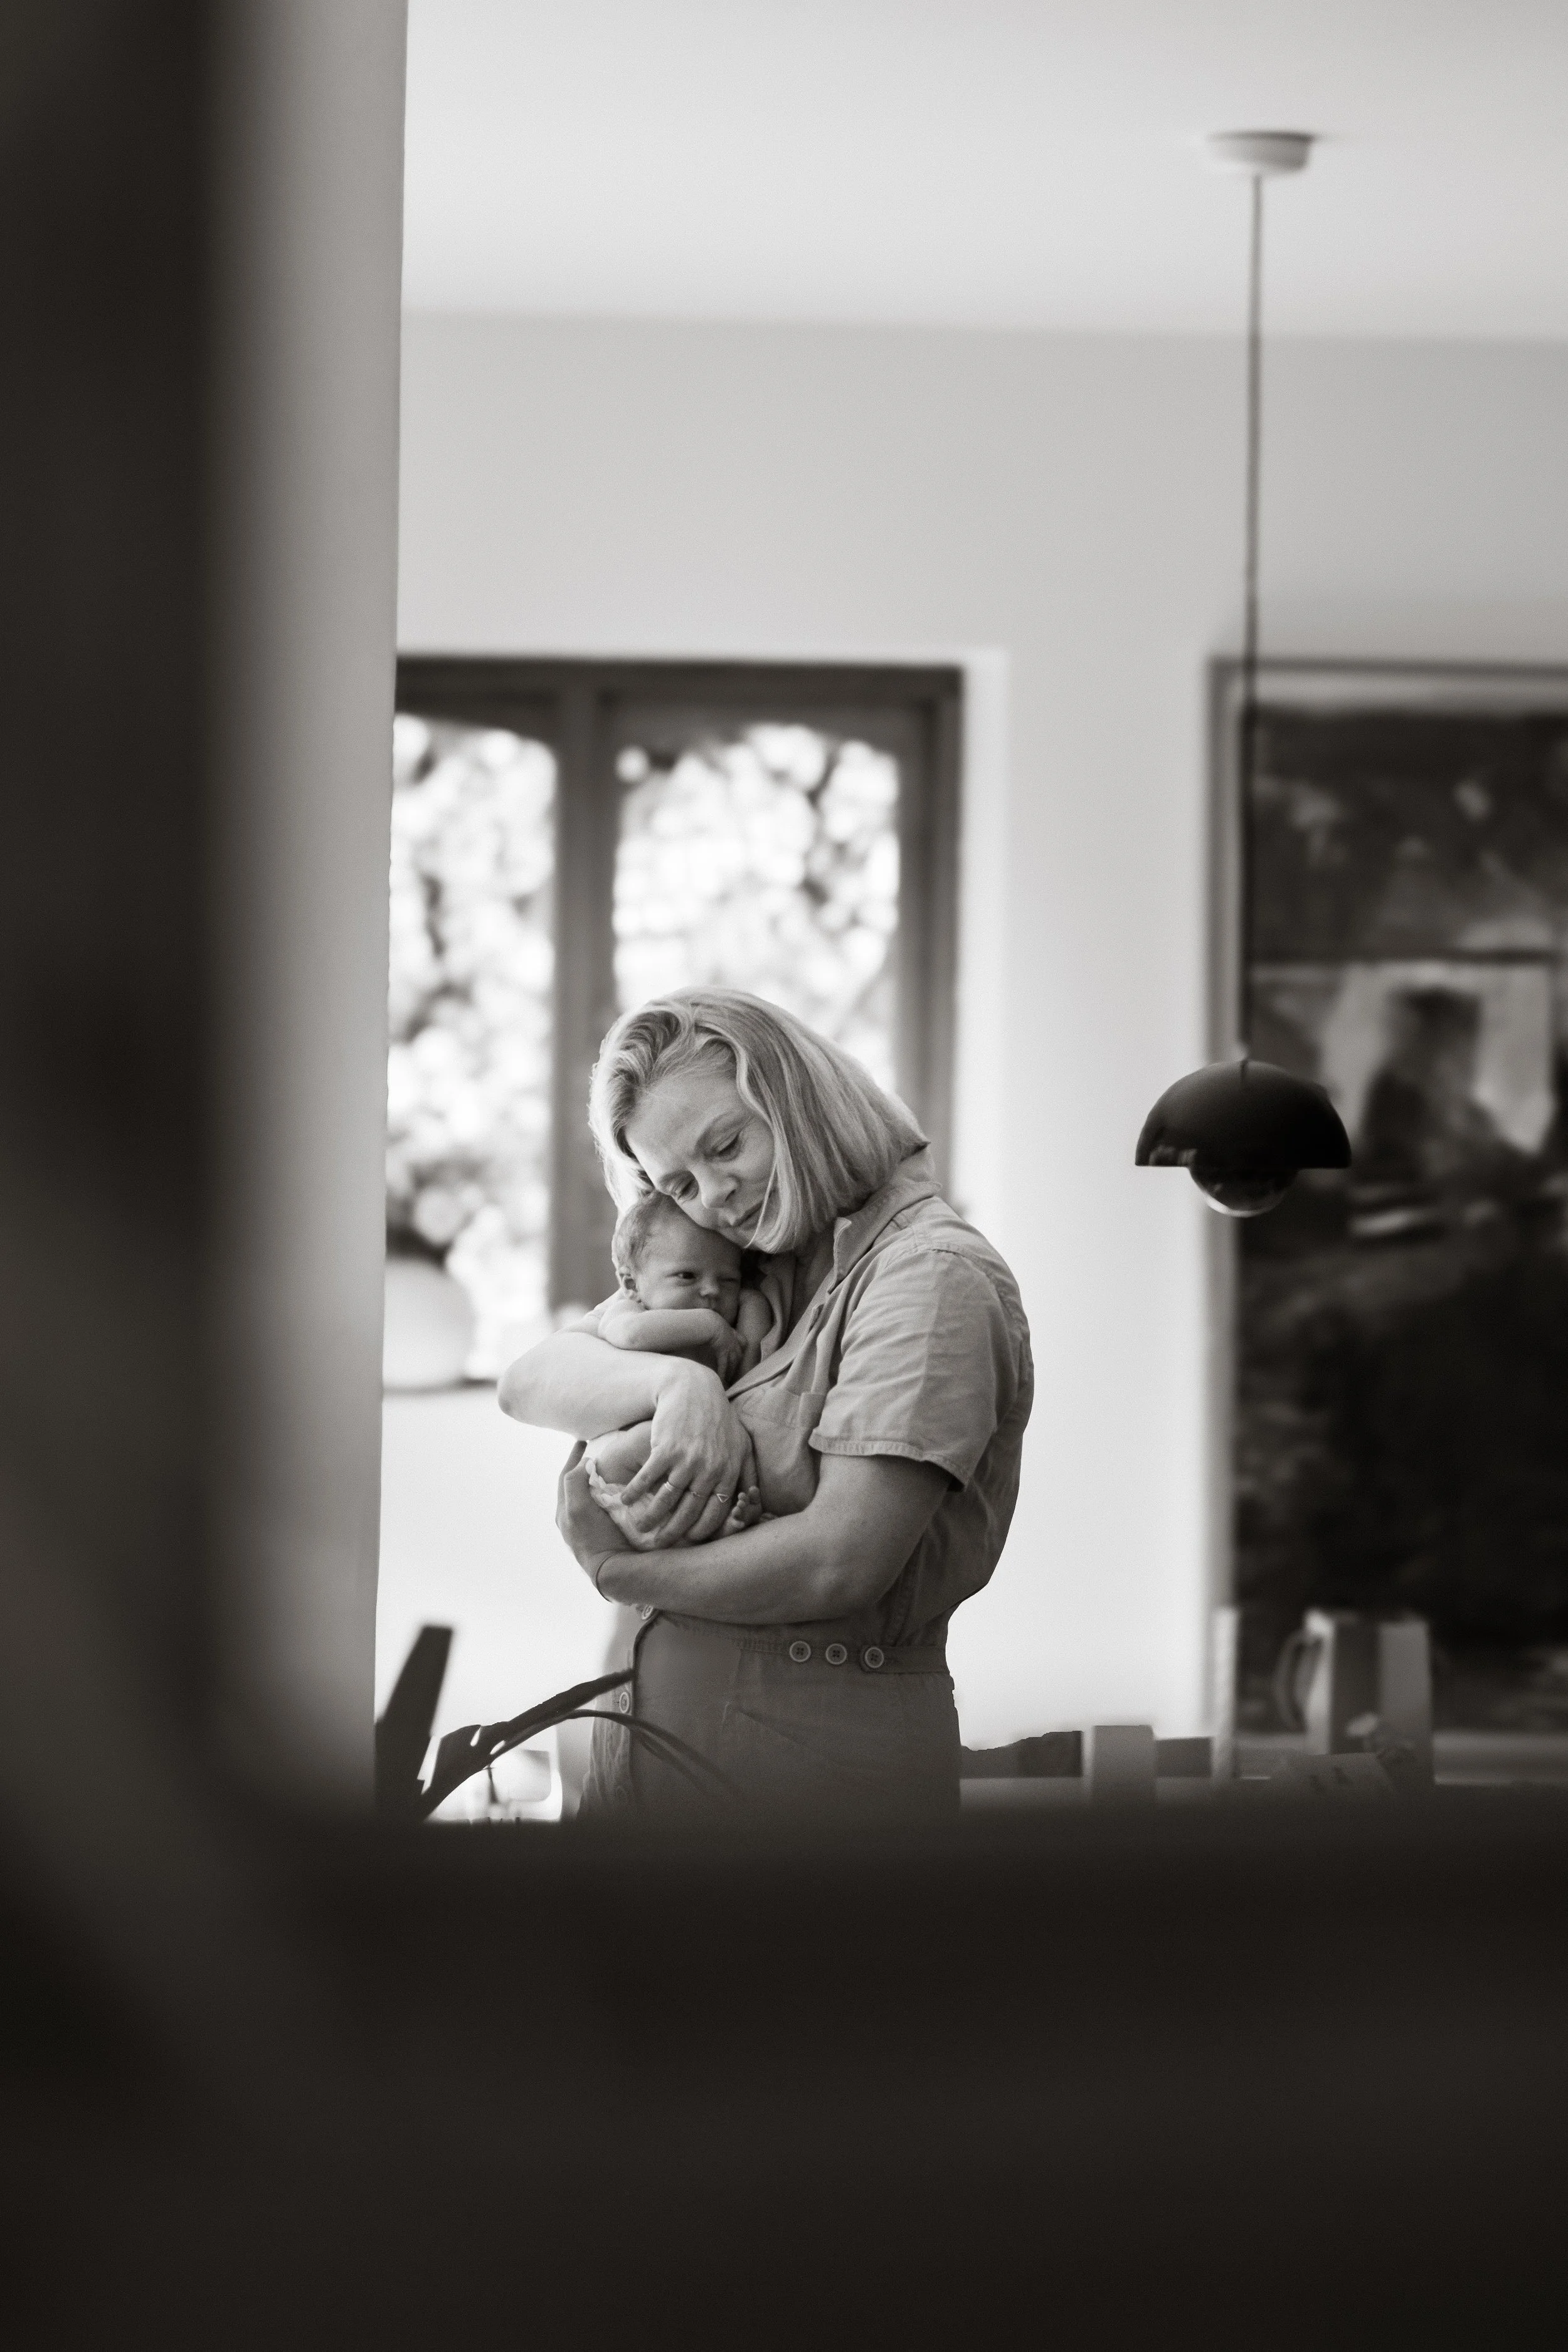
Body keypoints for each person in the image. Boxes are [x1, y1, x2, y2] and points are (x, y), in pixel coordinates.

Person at [499, 986, 1033, 1820]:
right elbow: (528, 1380)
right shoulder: (752, 1266)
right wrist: (678, 1384)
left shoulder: (929, 1274)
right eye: (677, 1183)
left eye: (728, 1143)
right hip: (649, 1755)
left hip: (810, 1774)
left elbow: (839, 1560)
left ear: (797, 1094)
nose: (715, 1194)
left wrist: (625, 1572)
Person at [583, 1194, 772, 1533]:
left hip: (701, 1461)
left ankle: (719, 1526)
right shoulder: (632, 1312)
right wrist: (709, 1326)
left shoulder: (735, 1319)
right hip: (626, 1471)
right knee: (644, 1440)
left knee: (733, 1451)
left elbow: (751, 1369)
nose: (712, 1291)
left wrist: (751, 1302)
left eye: (729, 1280)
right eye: (687, 1276)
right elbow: (629, 1336)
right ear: (631, 1284)